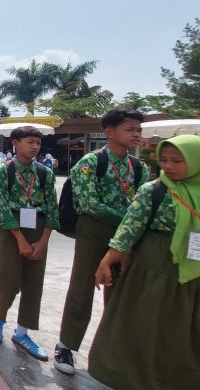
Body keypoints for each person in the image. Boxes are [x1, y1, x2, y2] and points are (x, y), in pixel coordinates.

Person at [89, 135, 200, 390]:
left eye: (176, 160)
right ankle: (135, 378)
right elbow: (131, 225)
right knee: (146, 324)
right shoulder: (155, 190)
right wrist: (108, 258)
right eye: (164, 160)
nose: (168, 166)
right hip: (154, 268)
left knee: (194, 329)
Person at [53, 108, 146, 375]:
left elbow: (143, 202)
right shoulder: (90, 163)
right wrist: (129, 218)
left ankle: (114, 348)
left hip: (126, 235)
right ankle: (66, 345)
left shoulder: (139, 168)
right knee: (82, 286)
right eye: (130, 129)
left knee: (120, 291)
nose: (136, 135)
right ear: (109, 132)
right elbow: (88, 203)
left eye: (138, 130)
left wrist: (131, 226)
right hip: (94, 231)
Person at [0, 126, 59, 361]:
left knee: (33, 282)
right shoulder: (3, 171)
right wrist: (20, 239)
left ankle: (22, 332)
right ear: (15, 144)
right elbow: (2, 206)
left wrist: (43, 241)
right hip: (11, 230)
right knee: (7, 276)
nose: (35, 146)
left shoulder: (44, 173)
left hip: (38, 228)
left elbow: (52, 208)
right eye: (30, 142)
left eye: (38, 142)